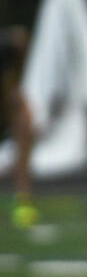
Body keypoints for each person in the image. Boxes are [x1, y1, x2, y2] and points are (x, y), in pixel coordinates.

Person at [0, 26, 37, 229]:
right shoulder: (6, 52)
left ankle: (24, 199)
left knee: (24, 135)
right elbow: (10, 94)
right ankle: (23, 200)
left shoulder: (11, 57)